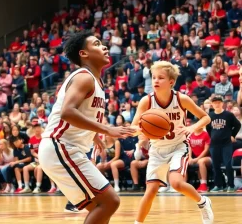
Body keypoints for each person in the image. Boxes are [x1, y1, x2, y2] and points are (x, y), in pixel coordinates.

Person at [38, 30, 135, 223]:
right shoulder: (84, 77)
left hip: (67, 149)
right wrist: (106, 130)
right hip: (60, 146)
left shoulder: (96, 81)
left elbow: (82, 113)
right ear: (84, 54)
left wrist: (94, 135)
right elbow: (67, 112)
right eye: (97, 44)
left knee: (100, 207)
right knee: (110, 202)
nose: (104, 47)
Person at [131, 61, 214, 224]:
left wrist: (193, 127)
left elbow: (206, 117)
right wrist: (142, 134)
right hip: (157, 150)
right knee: (150, 191)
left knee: (176, 183)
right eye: (154, 77)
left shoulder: (181, 99)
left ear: (171, 82)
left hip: (178, 147)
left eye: (160, 78)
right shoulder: (146, 101)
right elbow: (134, 126)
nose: (155, 81)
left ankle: (203, 202)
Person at [206, 96, 241, 192]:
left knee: (228, 164)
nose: (217, 104)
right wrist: (212, 136)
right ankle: (219, 185)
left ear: (222, 104)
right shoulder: (210, 116)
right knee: (215, 165)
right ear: (212, 104)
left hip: (226, 144)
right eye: (215, 103)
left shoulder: (228, 115)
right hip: (214, 144)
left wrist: (233, 135)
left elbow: (238, 125)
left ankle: (231, 185)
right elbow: (208, 128)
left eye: (219, 102)